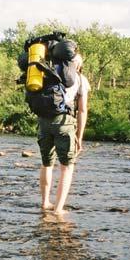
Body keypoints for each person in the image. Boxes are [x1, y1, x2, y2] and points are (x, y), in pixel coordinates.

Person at [39, 53, 90, 215]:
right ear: (78, 65)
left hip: (44, 121)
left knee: (47, 163)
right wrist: (79, 137)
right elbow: (82, 110)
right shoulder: (80, 79)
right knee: (67, 167)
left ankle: (45, 202)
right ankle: (58, 210)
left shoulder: (50, 73)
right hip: (64, 122)